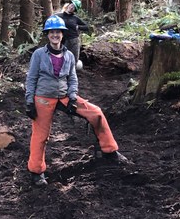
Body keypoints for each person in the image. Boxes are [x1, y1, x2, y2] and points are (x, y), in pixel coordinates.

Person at [24, 15, 122, 187]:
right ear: (47, 34)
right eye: (52, 32)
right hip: (43, 98)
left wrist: (72, 97)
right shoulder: (39, 54)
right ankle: (36, 172)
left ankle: (108, 150)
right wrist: (29, 101)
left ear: (62, 34)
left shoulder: (68, 55)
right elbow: (31, 78)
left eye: (58, 32)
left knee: (96, 113)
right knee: (40, 136)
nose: (55, 35)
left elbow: (72, 78)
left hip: (64, 96)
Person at [55, 0, 92, 70]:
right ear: (69, 5)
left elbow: (87, 27)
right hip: (63, 40)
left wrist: (78, 27)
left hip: (74, 40)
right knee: (62, 57)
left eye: (74, 7)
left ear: (75, 10)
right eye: (71, 5)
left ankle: (72, 75)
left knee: (74, 59)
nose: (71, 7)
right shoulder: (59, 16)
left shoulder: (75, 18)